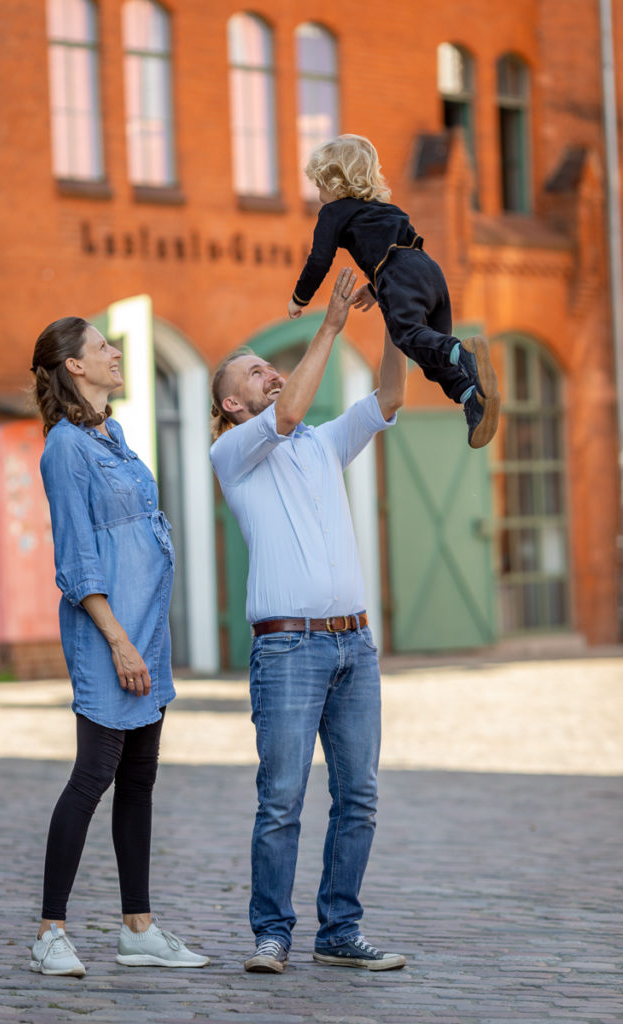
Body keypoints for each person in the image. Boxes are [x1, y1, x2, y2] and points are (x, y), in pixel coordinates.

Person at [210, 268, 407, 974]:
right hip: (287, 650)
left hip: (355, 644)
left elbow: (386, 398)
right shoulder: (233, 454)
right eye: (257, 372)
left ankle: (339, 930)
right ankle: (271, 933)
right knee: (283, 798)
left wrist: (396, 323)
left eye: (270, 367)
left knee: (358, 795)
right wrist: (328, 325)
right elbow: (286, 414)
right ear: (233, 404)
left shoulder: (322, 444)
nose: (269, 375)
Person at [28, 317, 209, 977]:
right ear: (74, 367)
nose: (115, 351)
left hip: (146, 634)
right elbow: (77, 562)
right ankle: (50, 932)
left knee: (138, 780)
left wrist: (143, 642)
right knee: (92, 777)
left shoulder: (115, 434)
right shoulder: (65, 449)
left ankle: (138, 929)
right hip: (111, 638)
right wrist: (118, 643)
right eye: (102, 345)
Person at [288, 133, 500, 450]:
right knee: (432, 359)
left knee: (409, 336)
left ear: (335, 182)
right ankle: (473, 398)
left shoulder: (333, 212)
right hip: (429, 270)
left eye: (319, 185)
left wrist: (299, 298)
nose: (318, 195)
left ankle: (463, 353)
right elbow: (400, 248)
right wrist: (375, 289)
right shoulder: (385, 209)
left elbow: (319, 260)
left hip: (398, 275)